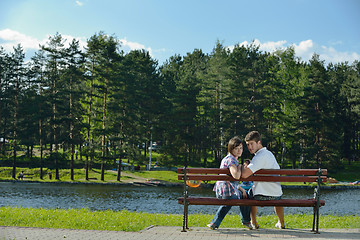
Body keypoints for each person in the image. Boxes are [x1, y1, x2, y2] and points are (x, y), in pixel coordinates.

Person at [241, 131, 285, 230]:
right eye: (248, 145)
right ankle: (281, 222)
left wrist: (243, 167)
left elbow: (244, 175)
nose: (250, 147)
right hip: (276, 196)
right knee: (277, 194)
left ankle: (253, 222)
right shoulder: (269, 155)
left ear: (259, 142)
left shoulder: (259, 157)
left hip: (260, 196)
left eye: (252, 144)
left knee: (248, 193)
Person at [207, 136, 253, 230]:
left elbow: (231, 181)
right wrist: (240, 166)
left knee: (243, 195)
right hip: (227, 193)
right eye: (236, 149)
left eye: (240, 148)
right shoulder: (231, 160)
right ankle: (246, 221)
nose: (239, 151)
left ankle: (214, 223)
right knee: (243, 198)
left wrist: (242, 189)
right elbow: (236, 176)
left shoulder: (229, 158)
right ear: (231, 149)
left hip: (224, 191)